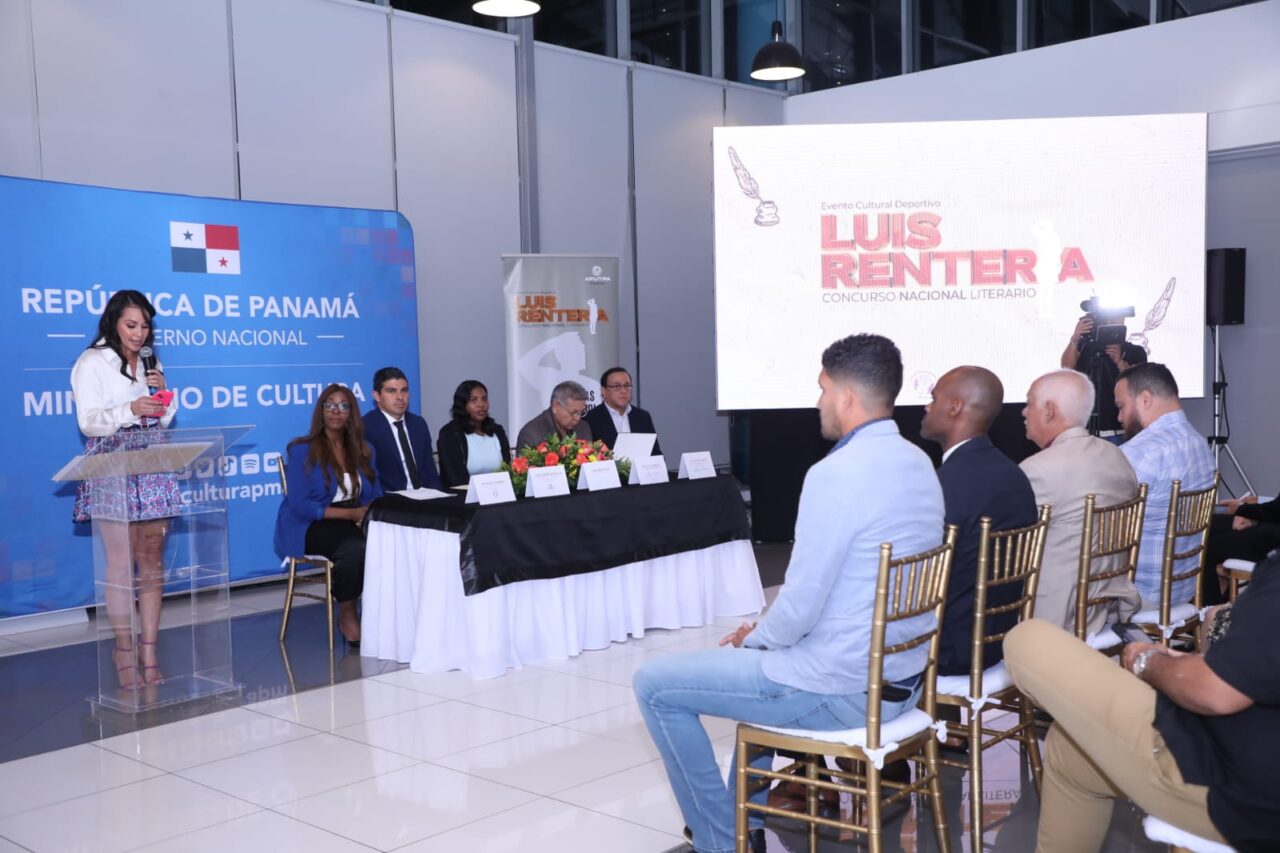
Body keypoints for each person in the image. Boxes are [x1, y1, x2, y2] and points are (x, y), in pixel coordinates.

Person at [633, 334, 944, 853]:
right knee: (757, 664)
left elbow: (800, 605)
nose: (818, 401)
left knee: (654, 684)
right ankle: (741, 823)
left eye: (822, 390)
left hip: (840, 687)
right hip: (901, 678)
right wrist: (768, 637)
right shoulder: (920, 464)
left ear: (846, 396)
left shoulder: (834, 475)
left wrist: (756, 640)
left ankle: (718, 840)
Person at [1003, 551, 1280, 853]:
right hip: (1247, 769)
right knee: (1070, 752)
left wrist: (1147, 663)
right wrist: (1192, 665)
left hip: (1234, 787)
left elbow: (1217, 691)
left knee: (1026, 639)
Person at [71, 290, 180, 689]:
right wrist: (129, 411)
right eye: (131, 325)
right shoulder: (91, 362)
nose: (139, 333)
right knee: (120, 565)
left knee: (151, 558)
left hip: (152, 459)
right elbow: (89, 422)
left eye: (145, 325)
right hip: (112, 462)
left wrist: (162, 393)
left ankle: (149, 649)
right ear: (113, 322)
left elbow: (166, 418)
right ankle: (123, 651)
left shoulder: (151, 361)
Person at [920, 366, 1037, 676]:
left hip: (946, 650)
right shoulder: (1015, 476)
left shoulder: (943, 487)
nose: (926, 406)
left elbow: (918, 581)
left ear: (955, 406)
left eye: (933, 398)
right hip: (1000, 640)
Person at [1020, 369, 1141, 634]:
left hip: (1052, 617)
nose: (1024, 412)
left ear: (1049, 410)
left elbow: (1011, 550)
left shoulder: (1038, 469)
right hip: (1104, 606)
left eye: (1029, 404)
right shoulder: (1117, 456)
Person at [275, 384, 383, 646]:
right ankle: (347, 613)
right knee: (354, 546)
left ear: (351, 414)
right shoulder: (301, 450)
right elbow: (300, 504)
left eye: (343, 406)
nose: (336, 411)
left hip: (353, 517)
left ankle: (385, 615)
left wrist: (365, 513)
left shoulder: (365, 450)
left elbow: (375, 493)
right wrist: (351, 516)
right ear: (320, 411)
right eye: (329, 405)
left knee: (389, 540)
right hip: (311, 524)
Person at [1113, 363, 1215, 609]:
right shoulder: (1200, 444)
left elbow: (1105, 530)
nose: (1119, 417)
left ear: (1145, 400)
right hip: (1183, 588)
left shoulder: (1139, 453)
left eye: (1121, 407)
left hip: (1139, 595)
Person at [1060, 315, 1147, 436]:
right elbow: (1066, 369)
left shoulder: (1135, 351)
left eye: (1115, 317)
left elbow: (1139, 385)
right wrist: (1075, 339)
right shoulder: (1085, 347)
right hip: (1084, 427)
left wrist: (1120, 363)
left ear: (1123, 320)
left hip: (1117, 427)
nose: (1110, 322)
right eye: (1108, 318)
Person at [361, 367, 441, 492]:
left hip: (426, 500)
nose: (400, 397)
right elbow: (369, 480)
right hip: (390, 502)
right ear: (377, 395)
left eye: (404, 390)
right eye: (392, 391)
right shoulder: (366, 426)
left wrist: (438, 499)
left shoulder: (418, 424)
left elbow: (430, 471)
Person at [1202, 493, 1280, 605]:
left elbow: (1273, 511)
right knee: (1209, 525)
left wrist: (1242, 509)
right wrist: (1248, 509)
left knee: (1203, 548)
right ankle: (1220, 603)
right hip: (1271, 526)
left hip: (1273, 538)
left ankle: (1213, 612)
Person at [436, 380, 511, 488]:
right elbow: (454, 480)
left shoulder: (497, 431)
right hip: (465, 500)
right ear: (462, 405)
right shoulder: (450, 434)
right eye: (473, 400)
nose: (481, 404)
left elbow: (508, 472)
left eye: (484, 399)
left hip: (499, 497)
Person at [581, 367, 661, 456]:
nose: (623, 391)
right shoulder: (591, 420)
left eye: (627, 386)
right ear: (603, 391)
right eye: (616, 386)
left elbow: (655, 452)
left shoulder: (642, 417)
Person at [515, 380, 593, 450]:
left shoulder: (584, 428)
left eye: (581, 412)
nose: (578, 418)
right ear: (555, 407)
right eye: (573, 413)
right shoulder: (531, 435)